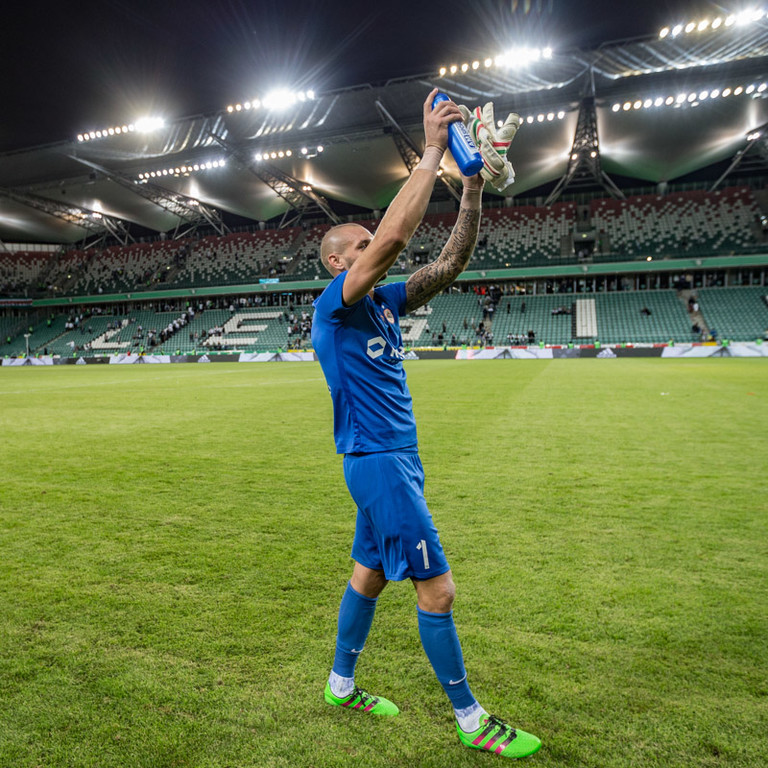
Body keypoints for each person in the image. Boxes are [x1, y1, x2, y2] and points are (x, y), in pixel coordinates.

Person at [311, 88, 541, 760]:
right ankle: (472, 721)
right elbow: (394, 238)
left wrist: (469, 189)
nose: (372, 250)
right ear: (336, 262)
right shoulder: (337, 301)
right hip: (378, 460)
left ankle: (340, 684)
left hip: (391, 459)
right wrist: (433, 150)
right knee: (437, 588)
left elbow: (447, 264)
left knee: (370, 575)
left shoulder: (380, 302)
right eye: (358, 245)